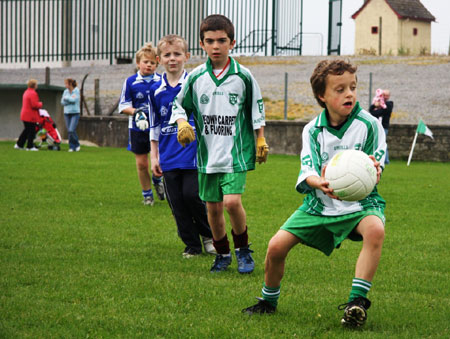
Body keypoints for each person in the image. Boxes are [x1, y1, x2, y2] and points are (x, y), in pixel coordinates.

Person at [242, 59, 387, 329]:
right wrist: (318, 182)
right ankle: (267, 302)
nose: (350, 94)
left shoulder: (370, 125)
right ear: (322, 96)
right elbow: (307, 169)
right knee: (275, 247)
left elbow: (375, 165)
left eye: (353, 87)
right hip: (318, 206)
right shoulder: (312, 130)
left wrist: (373, 168)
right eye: (340, 89)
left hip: (359, 204)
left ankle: (357, 302)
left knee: (375, 230)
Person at [169, 14, 269, 273]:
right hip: (207, 154)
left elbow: (256, 107)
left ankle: (243, 250)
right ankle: (222, 254)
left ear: (232, 43)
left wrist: (260, 138)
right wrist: (182, 122)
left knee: (232, 203)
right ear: (202, 44)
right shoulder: (196, 77)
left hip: (235, 152)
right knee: (212, 209)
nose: (216, 46)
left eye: (221, 40)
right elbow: (178, 105)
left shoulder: (243, 76)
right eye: (210, 41)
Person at [149, 34, 215, 258]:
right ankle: (192, 245)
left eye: (177, 54)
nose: (172, 59)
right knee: (176, 204)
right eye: (167, 55)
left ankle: (208, 236)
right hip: (168, 157)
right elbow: (154, 126)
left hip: (194, 155)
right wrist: (154, 157)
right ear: (159, 59)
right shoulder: (155, 91)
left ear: (186, 56)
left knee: (193, 197)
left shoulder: (196, 84)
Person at [119, 43, 165, 206]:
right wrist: (137, 113)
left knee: (160, 161)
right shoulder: (131, 82)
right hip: (138, 128)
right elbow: (123, 106)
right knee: (142, 163)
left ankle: (157, 180)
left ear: (157, 64)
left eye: (153, 63)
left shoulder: (161, 81)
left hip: (158, 128)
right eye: (146, 62)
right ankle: (147, 195)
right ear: (138, 63)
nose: (149, 65)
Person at [15, 79, 42, 151]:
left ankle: (19, 144)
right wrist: (40, 104)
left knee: (26, 130)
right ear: (34, 85)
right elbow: (34, 105)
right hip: (30, 115)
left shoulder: (26, 92)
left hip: (24, 114)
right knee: (31, 131)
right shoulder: (33, 93)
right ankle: (30, 146)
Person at [370, 89, 393, 164]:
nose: (385, 97)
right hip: (377, 126)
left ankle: (386, 160)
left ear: (389, 96)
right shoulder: (379, 103)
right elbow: (371, 111)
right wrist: (374, 105)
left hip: (384, 127)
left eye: (387, 95)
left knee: (382, 143)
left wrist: (378, 107)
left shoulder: (389, 104)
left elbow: (380, 112)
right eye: (384, 95)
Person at [61, 78, 81, 152]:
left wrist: (67, 99)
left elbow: (74, 100)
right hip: (67, 113)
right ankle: (71, 146)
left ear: (70, 84)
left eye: (66, 83)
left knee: (71, 130)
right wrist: (68, 99)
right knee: (69, 131)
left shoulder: (76, 91)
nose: (65, 85)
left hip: (75, 113)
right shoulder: (65, 91)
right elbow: (62, 102)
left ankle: (77, 144)